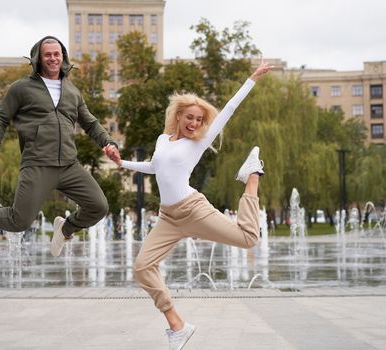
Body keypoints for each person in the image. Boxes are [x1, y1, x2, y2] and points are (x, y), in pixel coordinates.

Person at [107, 56, 272, 349]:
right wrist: (123, 164)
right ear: (179, 117)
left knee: (249, 238)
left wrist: (253, 78)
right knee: (143, 267)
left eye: (199, 119)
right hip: (169, 217)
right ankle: (177, 325)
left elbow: (230, 109)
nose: (195, 123)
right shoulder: (162, 139)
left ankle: (252, 176)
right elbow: (154, 167)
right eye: (190, 118)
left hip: (193, 210)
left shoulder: (199, 141)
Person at [0, 36, 120, 257]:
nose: (53, 58)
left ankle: (66, 228)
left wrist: (108, 143)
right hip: (37, 164)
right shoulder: (21, 88)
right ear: (39, 58)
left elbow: (90, 123)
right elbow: (0, 119)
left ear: (63, 57)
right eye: (47, 54)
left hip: (69, 165)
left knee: (99, 207)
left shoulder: (72, 91)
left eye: (56, 54)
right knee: (18, 221)